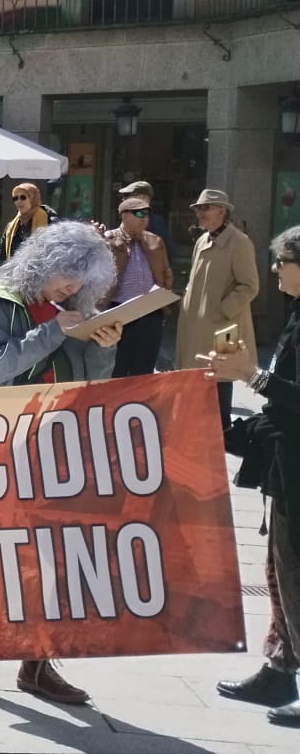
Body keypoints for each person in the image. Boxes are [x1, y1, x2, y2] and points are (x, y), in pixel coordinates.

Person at [0, 220, 123, 705]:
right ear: (42, 265)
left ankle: (37, 664)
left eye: (79, 283)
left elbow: (90, 384)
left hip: (55, 448)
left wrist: (104, 348)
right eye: (65, 279)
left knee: (53, 557)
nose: (71, 289)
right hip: (0, 447)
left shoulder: (73, 309)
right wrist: (52, 330)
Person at [205, 225, 300, 727]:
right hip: (284, 463)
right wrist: (224, 428)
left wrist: (251, 375)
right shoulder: (294, 316)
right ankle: (280, 667)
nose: (276, 271)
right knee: (280, 574)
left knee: (296, 573)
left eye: (284, 262)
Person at [180, 188, 259, 415]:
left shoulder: (240, 242)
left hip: (227, 327)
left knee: (222, 377)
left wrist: (224, 309)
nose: (199, 213)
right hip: (197, 323)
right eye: (197, 208)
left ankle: (222, 433)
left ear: (222, 211)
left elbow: (249, 286)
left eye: (205, 208)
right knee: (197, 378)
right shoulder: (202, 240)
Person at [106, 196, 173, 377]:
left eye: (147, 213)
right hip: (118, 313)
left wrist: (163, 304)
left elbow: (166, 273)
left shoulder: (155, 241)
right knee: (116, 368)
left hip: (149, 313)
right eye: (138, 213)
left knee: (144, 369)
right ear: (124, 215)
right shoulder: (108, 240)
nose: (144, 217)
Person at [0, 182, 56, 268]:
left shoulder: (50, 222)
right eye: (15, 198)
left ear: (33, 198)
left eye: (23, 197)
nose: (18, 201)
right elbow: (0, 256)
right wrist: (1, 276)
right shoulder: (11, 226)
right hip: (14, 277)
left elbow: (55, 253)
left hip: (41, 276)